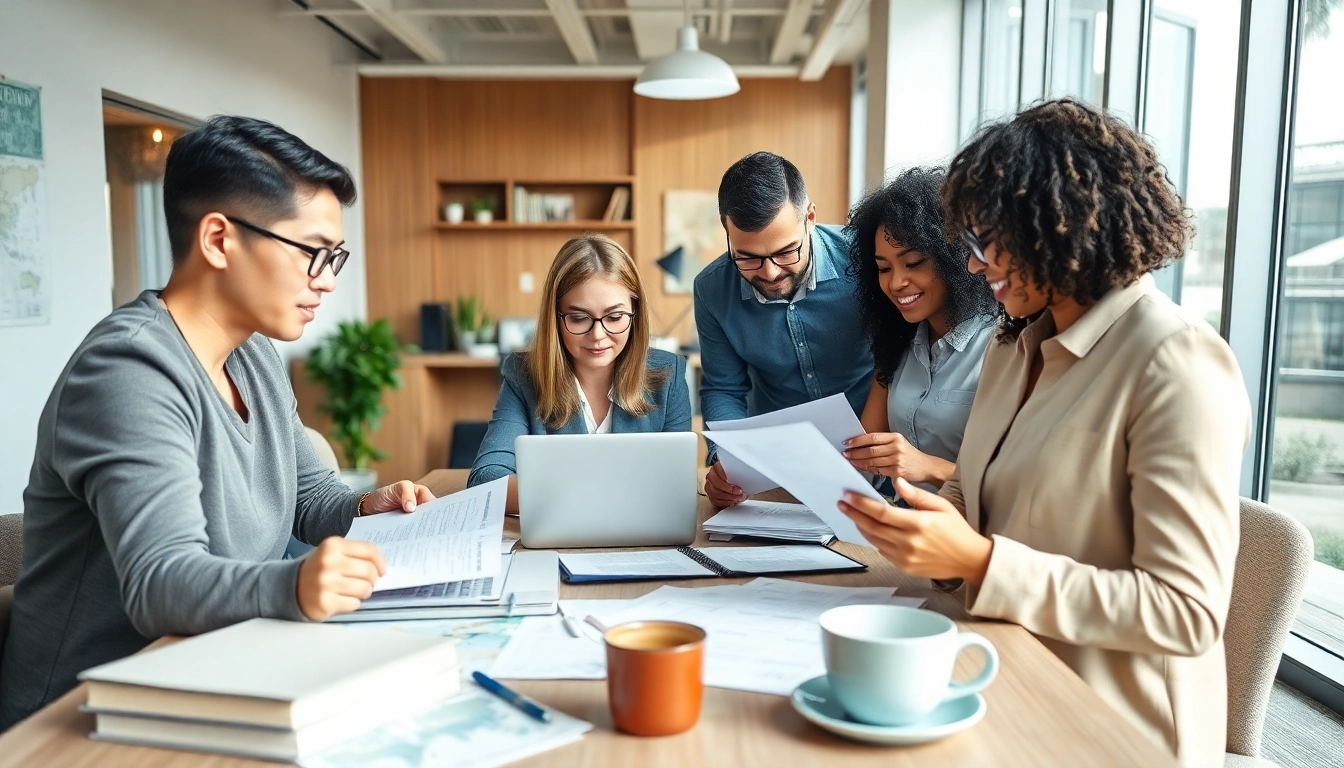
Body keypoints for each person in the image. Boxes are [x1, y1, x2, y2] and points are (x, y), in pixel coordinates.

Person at [837, 99, 1249, 768]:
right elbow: (972, 498)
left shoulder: (1175, 361)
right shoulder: (1013, 346)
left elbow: (1184, 612)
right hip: (1003, 668)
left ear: (1058, 226)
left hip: (1114, 726)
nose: (973, 266)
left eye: (986, 241)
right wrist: (916, 531)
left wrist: (978, 562)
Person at [0, 116, 434, 729]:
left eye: (334, 257)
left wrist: (366, 507)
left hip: (220, 669)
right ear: (218, 239)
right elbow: (160, 585)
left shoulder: (252, 353)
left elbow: (308, 497)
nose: (327, 281)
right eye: (312, 253)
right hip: (83, 718)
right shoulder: (127, 371)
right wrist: (293, 585)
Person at [696, 151, 873, 507]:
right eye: (748, 257)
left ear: (810, 217)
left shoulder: (866, 259)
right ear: (727, 231)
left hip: (872, 458)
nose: (770, 272)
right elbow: (724, 387)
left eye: (786, 251)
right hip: (777, 473)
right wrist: (725, 459)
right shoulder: (711, 289)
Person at [468, 234, 692, 512]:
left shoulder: (669, 374)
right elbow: (486, 480)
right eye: (578, 318)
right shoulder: (523, 375)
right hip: (558, 534)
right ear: (555, 317)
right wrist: (597, 492)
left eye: (614, 317)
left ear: (635, 311)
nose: (598, 335)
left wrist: (562, 492)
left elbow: (675, 486)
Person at [839, 167, 998, 491]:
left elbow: (1018, 488)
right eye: (883, 268)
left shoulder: (1004, 346)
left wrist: (928, 468)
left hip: (969, 523)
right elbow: (862, 461)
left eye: (913, 263)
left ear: (954, 257)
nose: (896, 283)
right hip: (901, 518)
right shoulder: (896, 341)